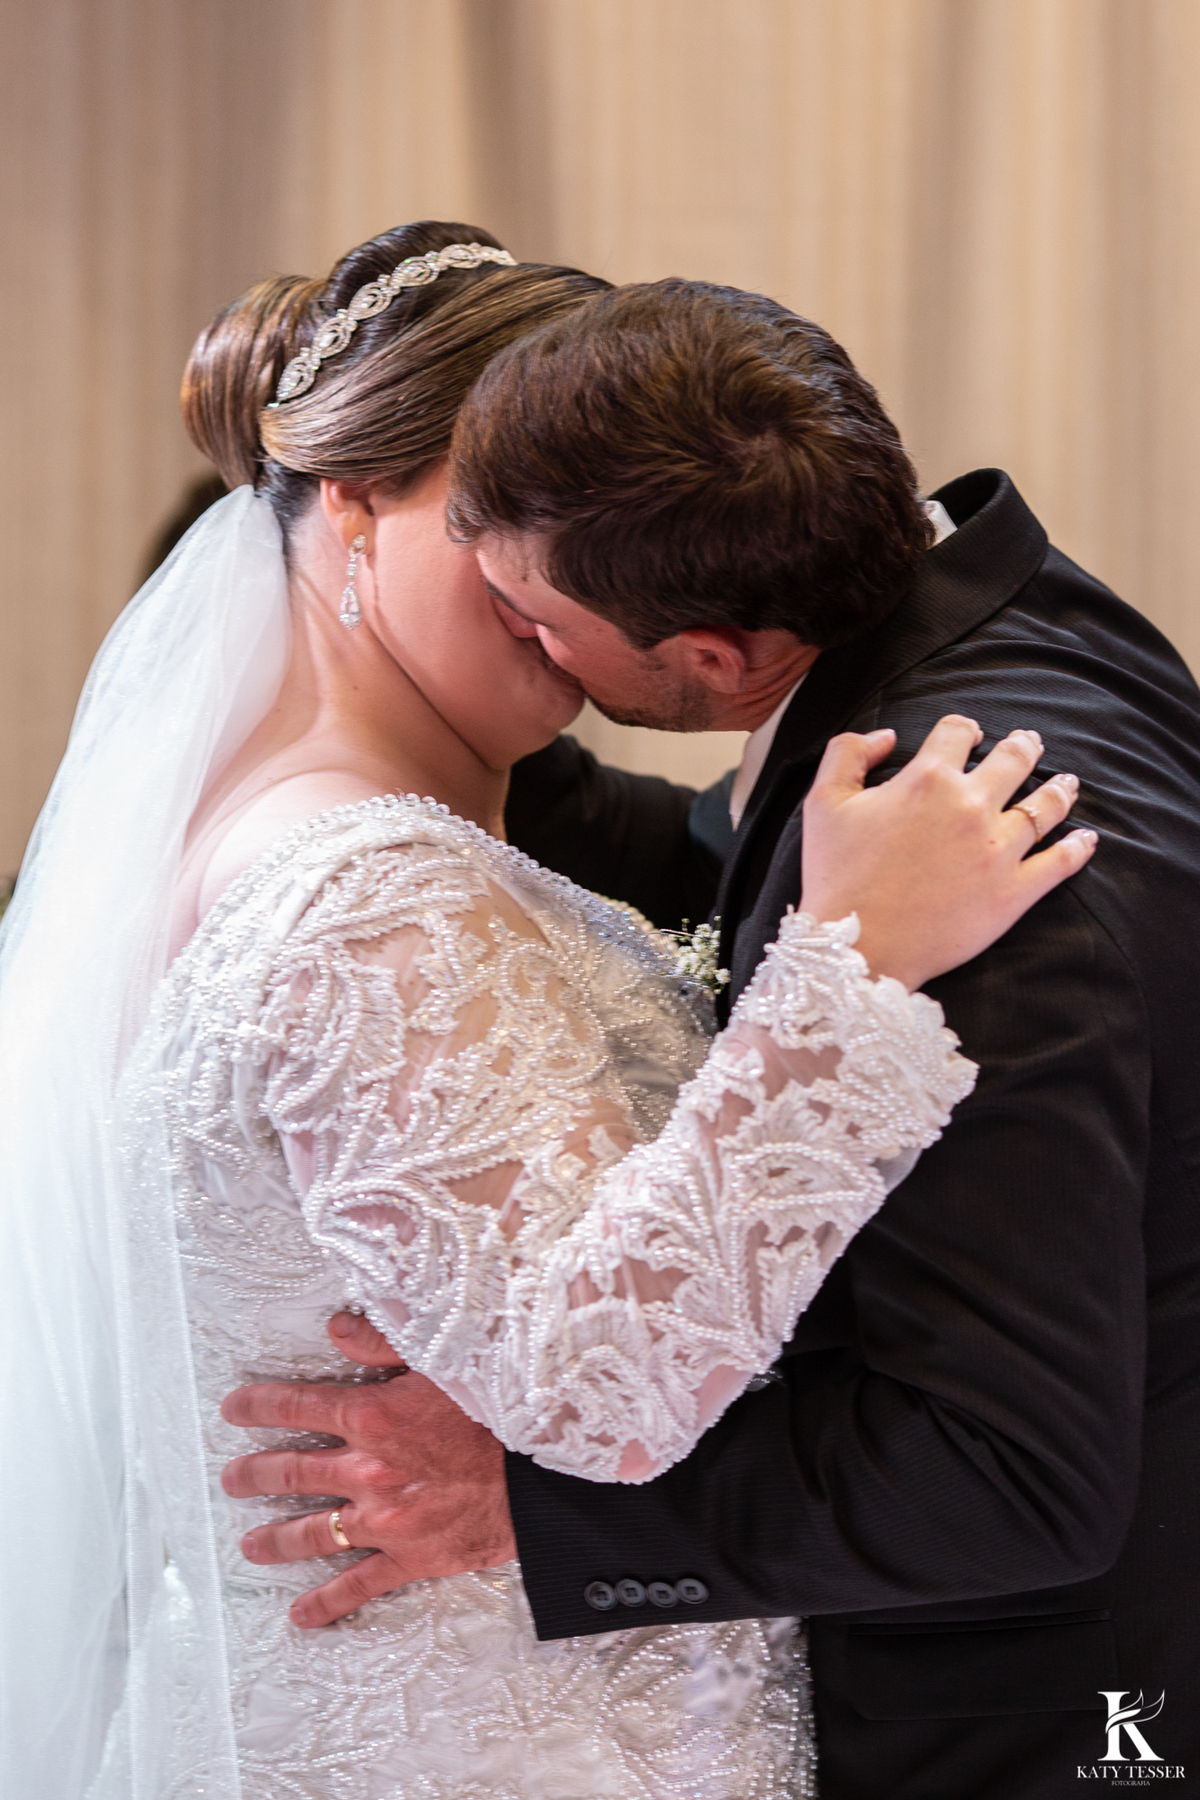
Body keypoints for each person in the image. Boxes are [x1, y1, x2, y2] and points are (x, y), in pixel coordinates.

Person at [0, 225, 1091, 1800]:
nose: (565, 572)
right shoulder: (363, 891)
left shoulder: (312, 836)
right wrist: (857, 971)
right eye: (492, 511)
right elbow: (601, 1386)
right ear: (353, 505)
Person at [227, 280, 1200, 1796]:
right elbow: (712, 852)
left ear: (715, 656)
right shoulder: (994, 612)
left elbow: (1013, 1480)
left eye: (535, 625)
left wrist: (526, 1510)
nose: (525, 650)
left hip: (1049, 1719)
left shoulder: (992, 886)